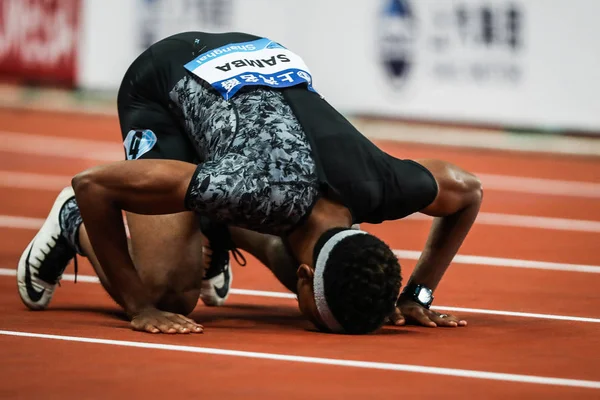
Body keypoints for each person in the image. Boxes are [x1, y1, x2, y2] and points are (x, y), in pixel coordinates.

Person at [17, 31, 482, 335]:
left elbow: (467, 190)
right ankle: (70, 223)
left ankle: (210, 224)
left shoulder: (385, 185)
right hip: (166, 78)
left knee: (289, 234)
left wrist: (416, 294)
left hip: (256, 61)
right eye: (311, 313)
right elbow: (95, 184)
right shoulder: (250, 186)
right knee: (170, 293)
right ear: (307, 279)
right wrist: (139, 306)